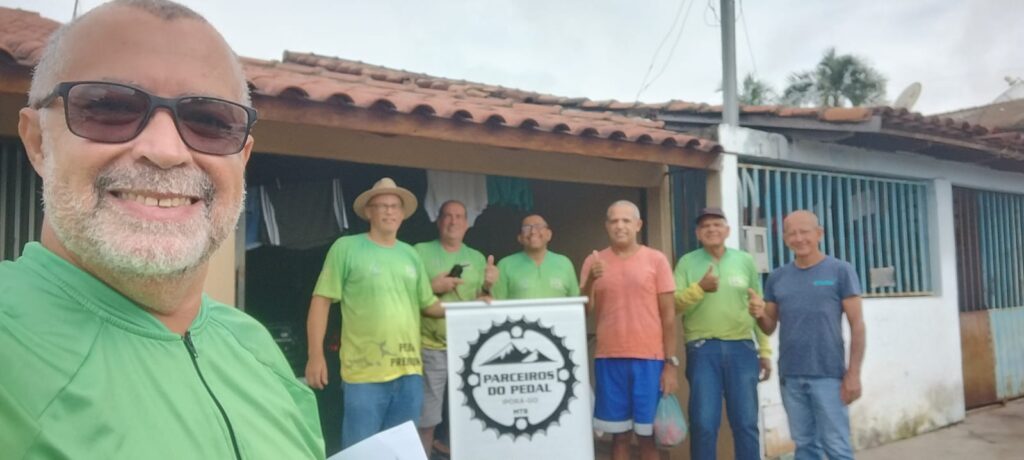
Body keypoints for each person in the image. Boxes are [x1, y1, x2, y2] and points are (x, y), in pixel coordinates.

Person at [0, 1, 324, 458]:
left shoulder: (254, 346)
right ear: (38, 142)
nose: (165, 150)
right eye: (109, 107)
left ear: (243, 157)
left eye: (210, 121)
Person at [304, 177, 444, 450]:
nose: (389, 212)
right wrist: (315, 355)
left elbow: (429, 305)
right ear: (369, 211)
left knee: (402, 451)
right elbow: (321, 301)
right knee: (362, 452)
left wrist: (473, 307)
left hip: (410, 373)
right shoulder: (346, 248)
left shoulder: (410, 255)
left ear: (402, 214)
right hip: (364, 376)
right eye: (382, 206)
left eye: (395, 206)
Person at [749, 210, 866, 460]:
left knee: (836, 446)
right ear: (785, 239)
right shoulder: (778, 278)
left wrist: (853, 373)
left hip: (829, 375)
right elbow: (769, 326)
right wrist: (758, 313)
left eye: (805, 232)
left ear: (819, 234)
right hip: (790, 376)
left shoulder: (840, 271)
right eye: (792, 233)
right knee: (804, 445)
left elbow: (857, 325)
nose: (799, 238)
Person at [580, 200, 678, 460]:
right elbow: (583, 311)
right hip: (609, 358)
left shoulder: (656, 260)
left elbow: (668, 316)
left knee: (648, 437)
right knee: (619, 436)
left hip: (650, 360)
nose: (619, 226)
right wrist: (591, 280)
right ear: (606, 226)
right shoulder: (594, 261)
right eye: (614, 221)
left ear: (638, 225)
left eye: (626, 220)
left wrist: (670, 364)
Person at [674, 207, 772, 460]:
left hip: (742, 349)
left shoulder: (745, 261)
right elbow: (673, 305)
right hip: (702, 349)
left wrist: (764, 350)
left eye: (717, 224)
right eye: (705, 226)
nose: (711, 229)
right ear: (697, 233)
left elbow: (757, 305)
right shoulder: (687, 262)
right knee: (703, 423)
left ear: (727, 231)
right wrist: (699, 288)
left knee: (746, 423)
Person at [414, 200, 498, 456]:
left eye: (459, 216)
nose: (453, 221)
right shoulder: (419, 252)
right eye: (447, 216)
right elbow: (406, 294)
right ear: (438, 221)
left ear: (467, 223)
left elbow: (481, 301)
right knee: (427, 420)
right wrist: (433, 287)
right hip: (430, 348)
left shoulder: (477, 257)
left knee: (473, 416)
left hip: (469, 349)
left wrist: (487, 288)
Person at [492, 214, 580, 300]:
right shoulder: (505, 265)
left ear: (549, 235)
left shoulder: (565, 263)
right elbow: (496, 305)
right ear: (520, 238)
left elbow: (577, 302)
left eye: (539, 226)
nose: (533, 231)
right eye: (526, 228)